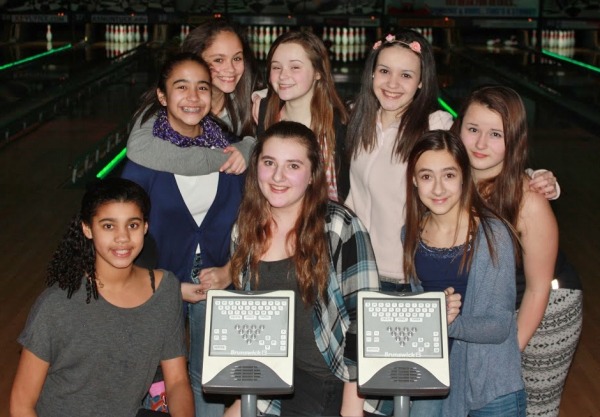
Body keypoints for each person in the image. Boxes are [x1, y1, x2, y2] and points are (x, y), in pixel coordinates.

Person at [224, 121, 379, 416]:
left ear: (312, 175)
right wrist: (243, 398)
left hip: (333, 381)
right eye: (269, 163)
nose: (278, 176)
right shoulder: (244, 229)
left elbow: (366, 320)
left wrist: (351, 407)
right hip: (274, 381)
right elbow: (250, 324)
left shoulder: (339, 226)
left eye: (293, 166)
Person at [121, 53, 245, 417]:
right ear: (162, 96)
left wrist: (230, 270)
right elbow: (120, 240)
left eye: (202, 87)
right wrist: (165, 287)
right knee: (153, 378)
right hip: (156, 285)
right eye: (181, 87)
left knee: (208, 377)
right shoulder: (144, 161)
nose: (193, 97)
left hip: (217, 280)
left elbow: (254, 224)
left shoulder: (229, 152)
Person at [9, 178, 193, 417]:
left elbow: (177, 382)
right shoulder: (56, 304)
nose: (122, 237)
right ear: (87, 229)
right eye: (108, 226)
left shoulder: (165, 291)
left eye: (133, 225)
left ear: (145, 227)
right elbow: (21, 404)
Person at [452, 85, 582, 417]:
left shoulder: (528, 199)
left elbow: (539, 288)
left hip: (546, 307)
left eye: (496, 134)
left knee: (532, 409)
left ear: (514, 139)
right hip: (493, 309)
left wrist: (508, 354)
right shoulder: (450, 183)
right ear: (457, 128)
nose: (481, 143)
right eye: (473, 129)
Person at [404, 130, 525, 417]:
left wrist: (446, 323)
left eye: (448, 175)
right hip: (433, 378)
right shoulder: (410, 235)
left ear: (463, 177)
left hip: (490, 385)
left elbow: (499, 326)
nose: (438, 189)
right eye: (426, 176)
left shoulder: (493, 235)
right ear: (414, 180)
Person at [345, 29, 454, 292]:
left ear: (421, 82)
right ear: (372, 73)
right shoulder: (357, 119)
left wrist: (531, 176)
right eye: (384, 71)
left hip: (404, 276)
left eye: (406, 75)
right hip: (354, 268)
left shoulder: (435, 127)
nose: (392, 84)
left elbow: (475, 170)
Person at [126, 19, 263, 176]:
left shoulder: (254, 100)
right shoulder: (165, 105)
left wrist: (249, 147)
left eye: (237, 58)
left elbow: (273, 142)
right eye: (218, 60)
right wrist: (227, 158)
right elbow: (139, 148)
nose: (231, 69)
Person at [255, 30, 350, 201]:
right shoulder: (264, 113)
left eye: (295, 67)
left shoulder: (341, 123)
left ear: (318, 72)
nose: (283, 75)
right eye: (276, 67)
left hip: (327, 215)